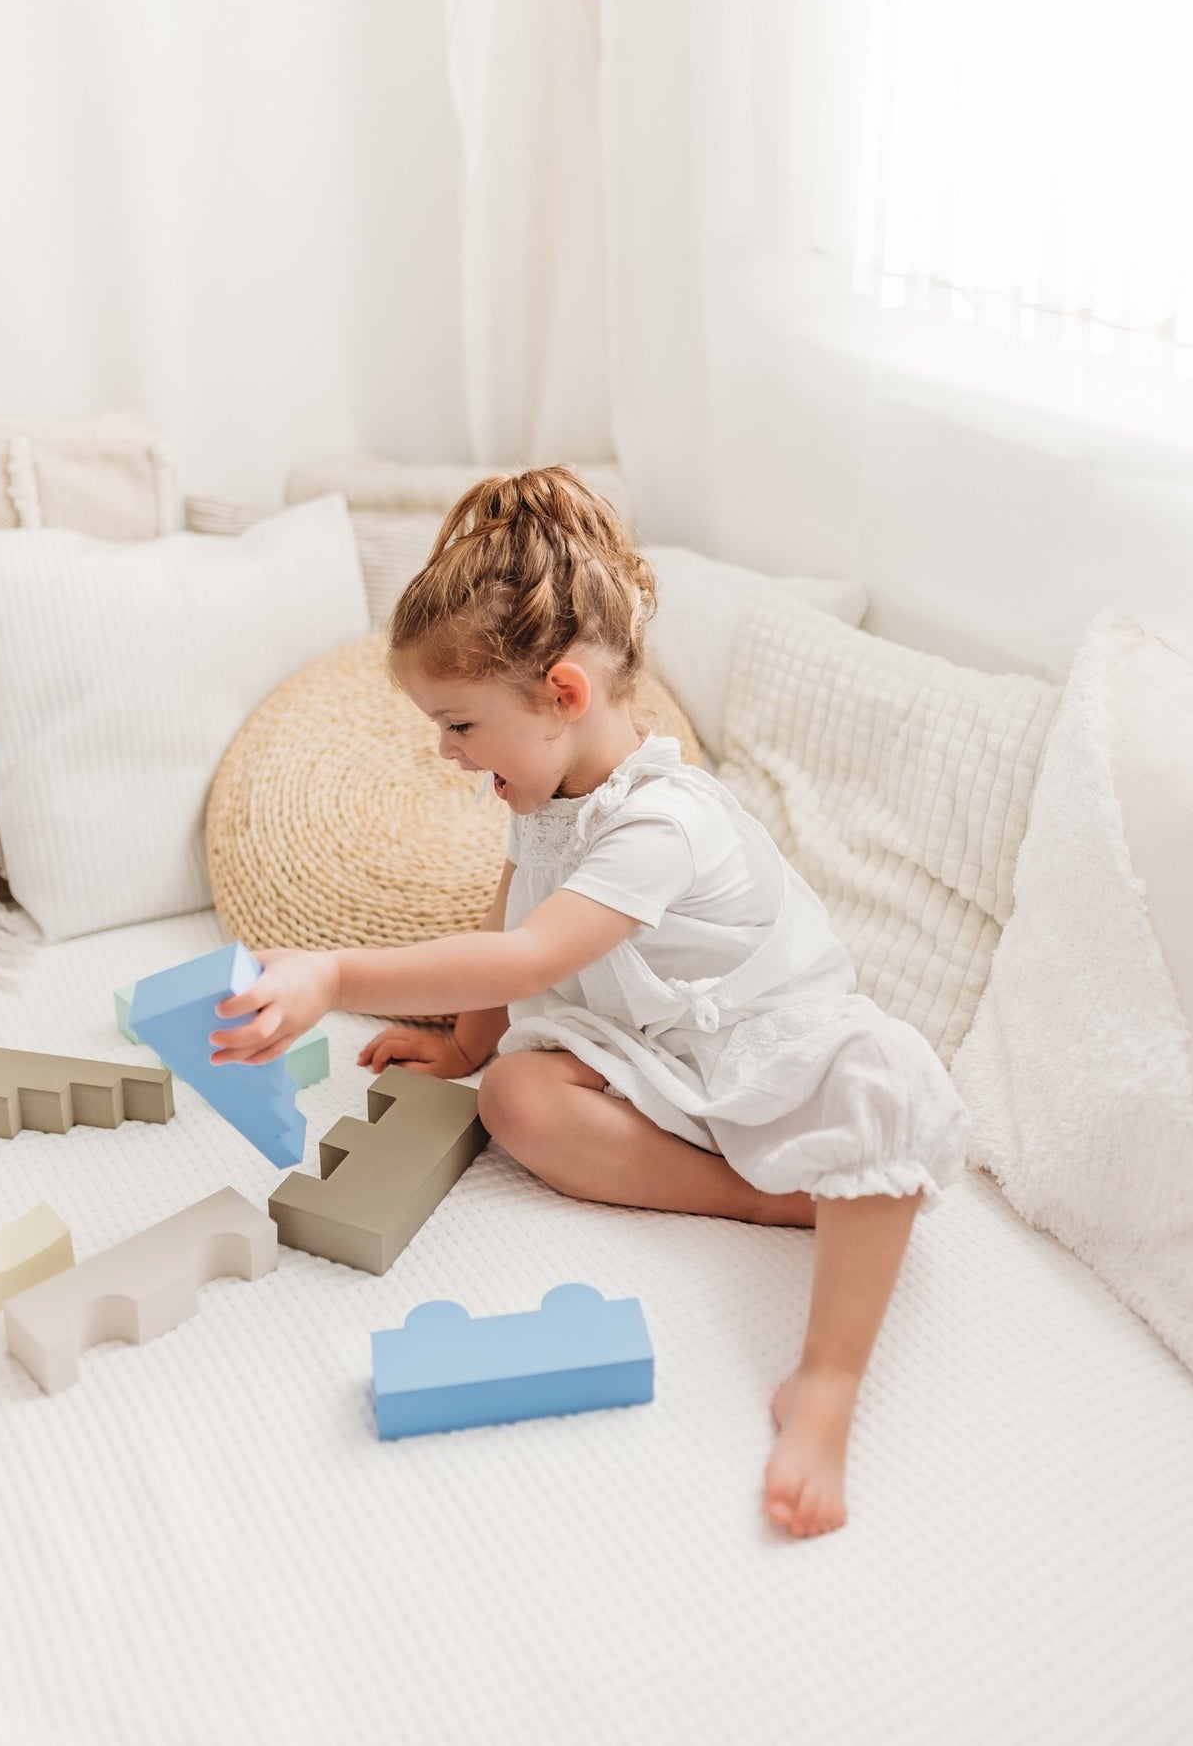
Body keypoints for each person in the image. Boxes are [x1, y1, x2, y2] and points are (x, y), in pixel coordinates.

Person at [209, 464, 969, 1540]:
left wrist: (331, 971)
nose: (445, 751)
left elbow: (524, 955)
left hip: (763, 1041)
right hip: (658, 1048)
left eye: (459, 723)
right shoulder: (546, 788)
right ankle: (762, 1195)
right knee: (517, 1096)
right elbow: (509, 899)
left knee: (882, 1088)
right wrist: (464, 1047)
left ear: (561, 695)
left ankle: (826, 1384)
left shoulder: (662, 821)